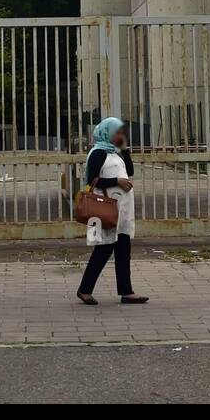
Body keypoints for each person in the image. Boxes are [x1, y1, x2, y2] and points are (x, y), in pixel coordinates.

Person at [76, 117, 148, 306]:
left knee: (123, 249)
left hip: (121, 211)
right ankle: (84, 290)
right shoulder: (98, 153)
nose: (120, 135)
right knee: (103, 250)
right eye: (117, 132)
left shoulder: (115, 152)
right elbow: (91, 182)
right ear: (107, 132)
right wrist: (116, 181)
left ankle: (127, 291)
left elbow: (129, 171)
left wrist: (125, 150)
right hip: (104, 210)